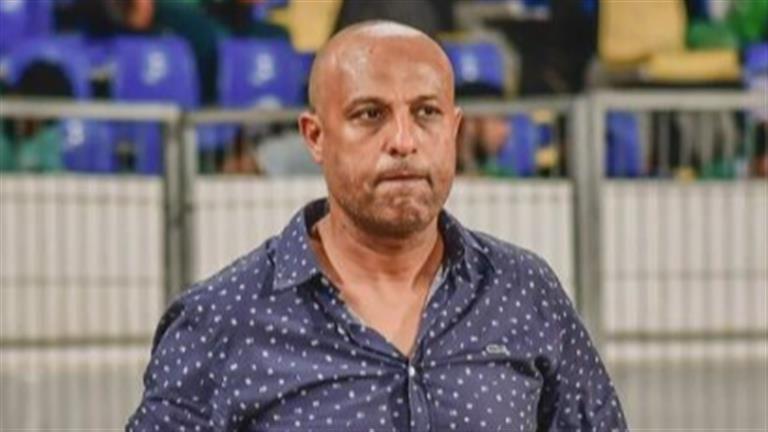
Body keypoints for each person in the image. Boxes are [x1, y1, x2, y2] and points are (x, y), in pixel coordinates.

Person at [127, 20, 627, 431]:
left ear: (453, 130)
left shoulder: (523, 292)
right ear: (316, 137)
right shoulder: (222, 318)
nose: (404, 141)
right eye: (370, 114)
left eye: (426, 113)